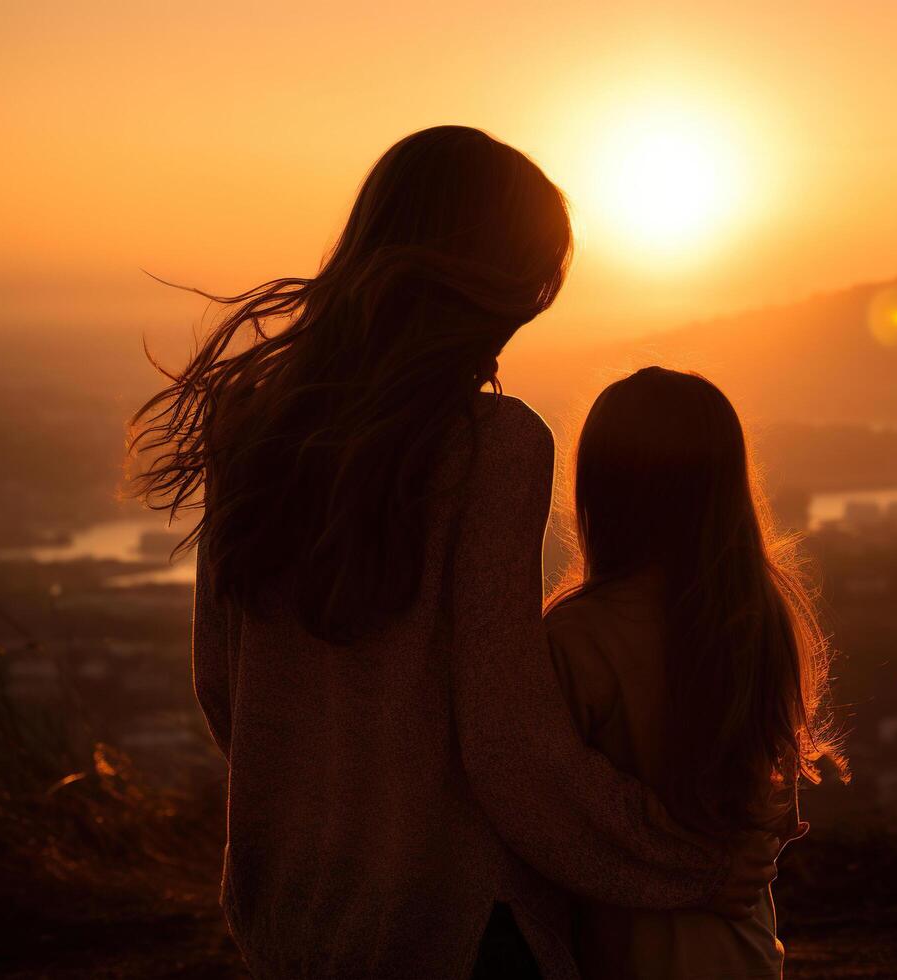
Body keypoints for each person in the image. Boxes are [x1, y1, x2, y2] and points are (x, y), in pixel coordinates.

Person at [127, 127, 778, 980]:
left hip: (291, 921)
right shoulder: (490, 447)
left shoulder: (253, 429)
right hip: (462, 934)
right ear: (476, 282)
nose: (511, 330)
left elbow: (228, 692)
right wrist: (689, 859)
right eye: (522, 292)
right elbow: (510, 749)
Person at [545, 367, 849, 980]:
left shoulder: (577, 638)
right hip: (743, 956)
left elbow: (552, 815)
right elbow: (772, 821)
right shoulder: (762, 618)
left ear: (601, 490)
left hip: (623, 957)